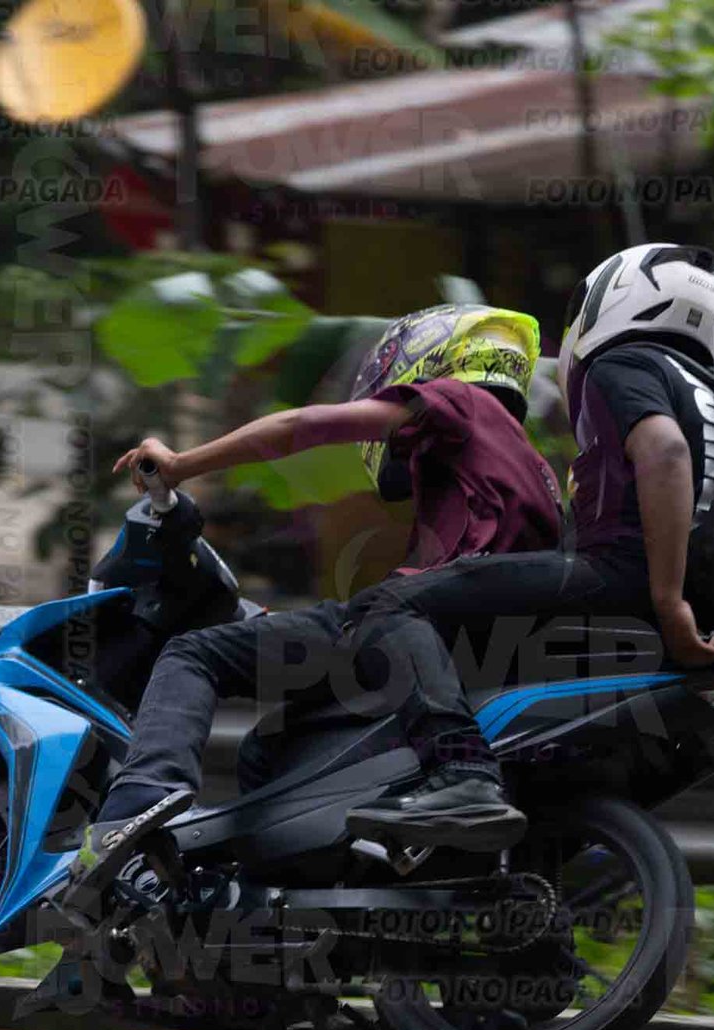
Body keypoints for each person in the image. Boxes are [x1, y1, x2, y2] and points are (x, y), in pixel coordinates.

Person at [66, 304, 563, 906]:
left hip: (409, 623)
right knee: (269, 746)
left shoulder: (458, 401)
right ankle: (274, 912)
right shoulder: (534, 465)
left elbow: (303, 426)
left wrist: (181, 464)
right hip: (465, 646)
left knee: (191, 654)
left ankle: (139, 800)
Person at [346, 243, 714, 842]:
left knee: (391, 604)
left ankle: (461, 774)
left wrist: (668, 600)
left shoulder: (621, 365)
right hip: (694, 596)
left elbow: (665, 453)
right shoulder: (712, 392)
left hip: (618, 579)